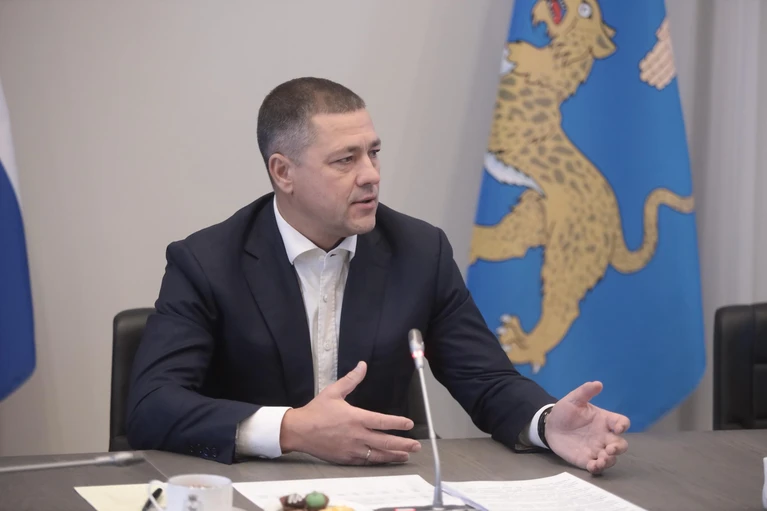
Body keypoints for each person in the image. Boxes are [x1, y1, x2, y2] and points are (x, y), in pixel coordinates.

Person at [126, 77, 629, 474]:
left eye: (373, 152)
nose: (371, 174)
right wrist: (291, 430)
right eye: (345, 159)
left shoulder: (419, 251)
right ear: (283, 172)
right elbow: (152, 406)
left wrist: (546, 422)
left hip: (377, 488)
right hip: (251, 487)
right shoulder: (207, 261)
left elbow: (485, 379)